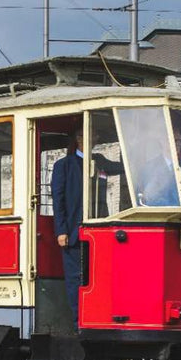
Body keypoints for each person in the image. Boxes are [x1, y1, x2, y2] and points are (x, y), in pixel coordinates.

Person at [51, 127, 122, 325]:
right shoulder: (64, 165)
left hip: (99, 229)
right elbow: (58, 199)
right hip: (74, 231)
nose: (94, 137)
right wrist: (61, 230)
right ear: (79, 138)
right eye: (89, 134)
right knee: (76, 279)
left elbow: (121, 168)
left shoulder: (99, 161)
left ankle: (97, 318)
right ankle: (78, 321)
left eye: (95, 134)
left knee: (99, 276)